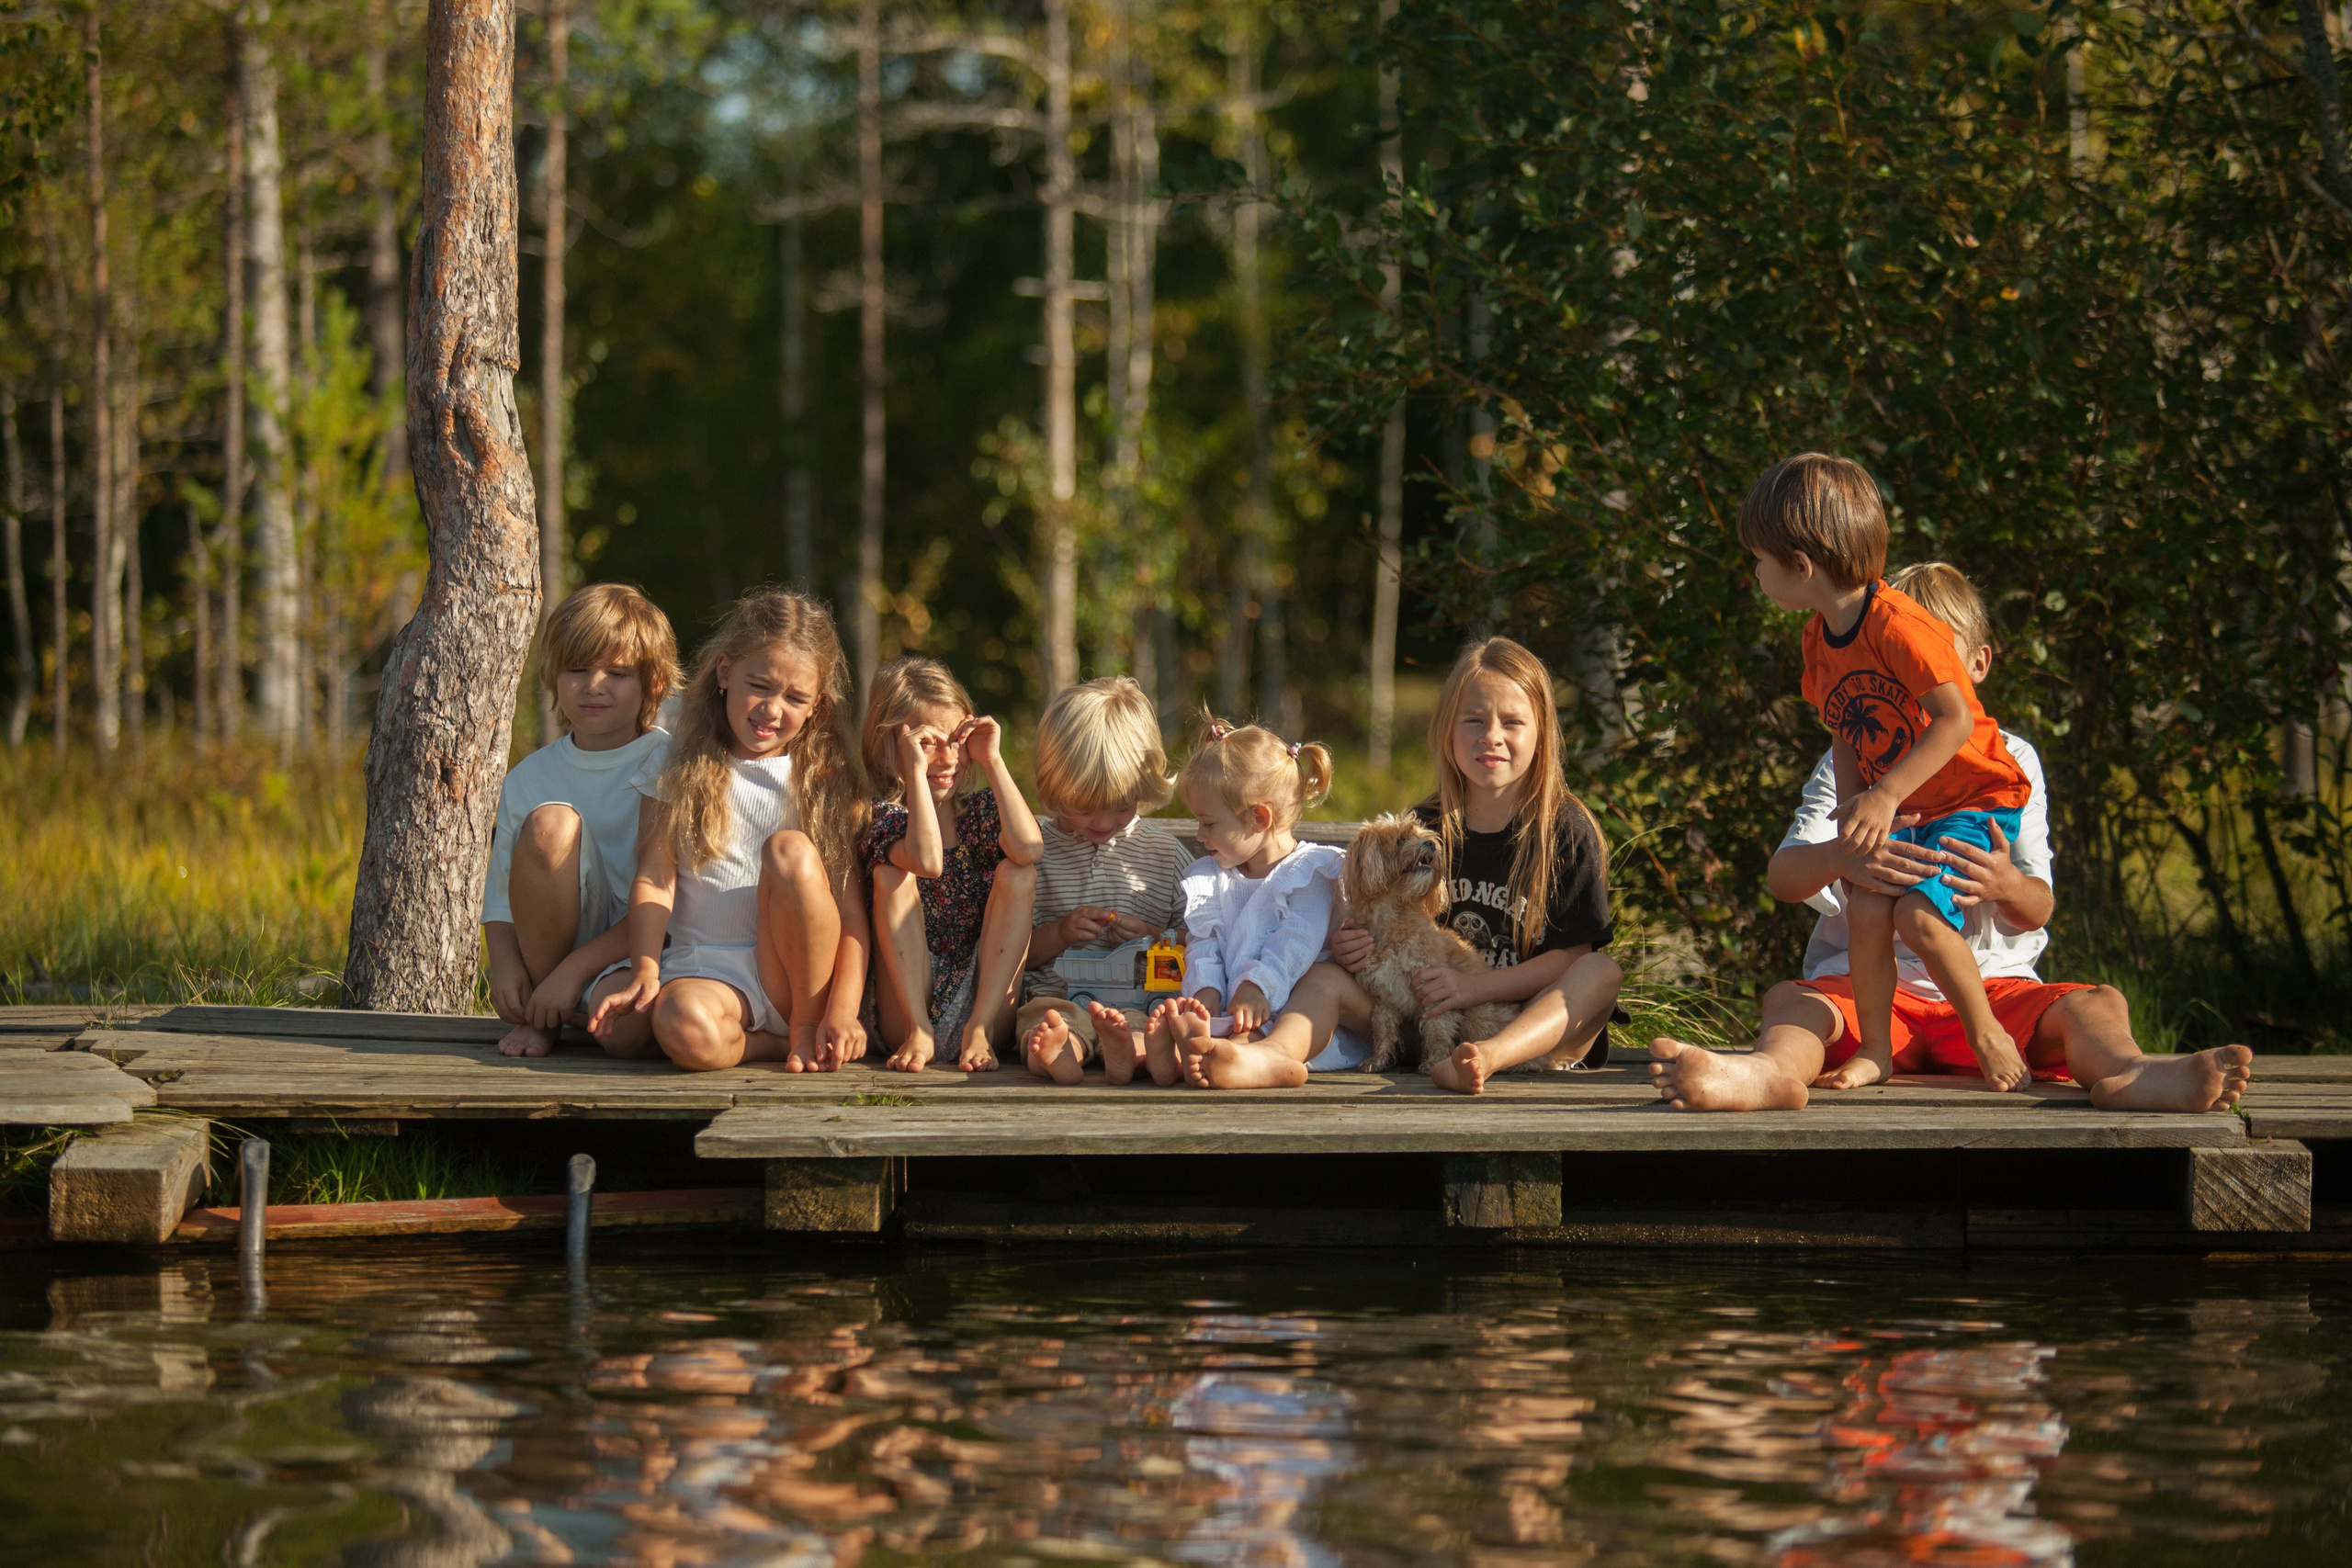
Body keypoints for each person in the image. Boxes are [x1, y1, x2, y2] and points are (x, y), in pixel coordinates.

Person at [1649, 561, 2255, 1113]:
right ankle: (1766, 1075)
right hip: (1871, 997)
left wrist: (2006, 882)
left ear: (1977, 664)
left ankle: (2137, 1073)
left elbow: (2039, 905)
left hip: (1994, 993)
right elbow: (1783, 877)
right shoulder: (1851, 760)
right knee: (1792, 1003)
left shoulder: (2010, 761)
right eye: (1892, 665)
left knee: (2095, 1005)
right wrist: (1843, 857)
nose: (1909, 681)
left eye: (1927, 664)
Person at [1200, 637, 1624, 1093]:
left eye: (1513, 722)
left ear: (1542, 733)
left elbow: (1573, 957)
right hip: (1424, 1024)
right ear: (1447, 729)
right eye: (1474, 720)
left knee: (1602, 973)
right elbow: (1377, 917)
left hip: (1535, 1025)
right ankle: (1273, 1056)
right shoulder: (1423, 829)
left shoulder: (1564, 831)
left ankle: (1489, 1056)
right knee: (1324, 977)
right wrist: (1350, 946)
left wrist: (1476, 989)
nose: (1492, 736)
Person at [1737, 454, 2035, 1090]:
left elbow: (1954, 721)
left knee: (1918, 918)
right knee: (1869, 909)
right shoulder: (1820, 638)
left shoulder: (1899, 624)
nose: (1755, 572)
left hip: (1973, 793)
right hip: (1906, 802)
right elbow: (1846, 726)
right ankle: (1876, 1050)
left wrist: (1885, 793)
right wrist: (1855, 817)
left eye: (1759, 560)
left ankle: (1985, 1029)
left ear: (1800, 566)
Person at [587, 589, 871, 1073]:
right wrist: (646, 967)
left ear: (817, 706)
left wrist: (841, 1013)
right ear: (723, 672)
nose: (772, 709)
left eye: (795, 697)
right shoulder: (678, 762)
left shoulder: (824, 778)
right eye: (759, 685)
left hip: (785, 974)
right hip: (700, 968)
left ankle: (800, 1030)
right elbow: (655, 878)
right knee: (626, 1031)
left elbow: (849, 914)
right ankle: (764, 1045)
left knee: (789, 851)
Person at [484, 583, 680, 1059]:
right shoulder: (530, 776)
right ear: (553, 677)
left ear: (654, 684)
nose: (594, 685)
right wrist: (505, 967)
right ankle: (545, 1017)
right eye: (577, 669)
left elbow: (674, 895)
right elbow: (500, 892)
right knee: (550, 825)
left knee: (626, 1035)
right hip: (548, 954)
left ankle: (564, 1000)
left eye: (618, 672)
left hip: (643, 952)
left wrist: (574, 973)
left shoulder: (672, 763)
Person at [858, 657, 1043, 1074]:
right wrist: (914, 772)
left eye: (956, 740)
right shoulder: (881, 817)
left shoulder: (979, 813)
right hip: (907, 1005)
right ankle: (919, 1029)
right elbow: (927, 860)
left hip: (985, 996)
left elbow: (1030, 849)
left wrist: (993, 761)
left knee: (1018, 872)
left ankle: (977, 1028)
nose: (947, 758)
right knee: (893, 875)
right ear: (890, 751)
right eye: (927, 743)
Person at [1015, 676, 1193, 1086]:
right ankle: (1063, 1055)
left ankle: (1138, 1056)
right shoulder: (1035, 851)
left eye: (1122, 807)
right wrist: (1059, 933)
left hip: (1141, 1003)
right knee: (1047, 1025)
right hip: (1059, 1000)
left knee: (1152, 1023)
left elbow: (1199, 939)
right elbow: (1011, 951)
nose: (1104, 823)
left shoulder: (1164, 855)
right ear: (1054, 787)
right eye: (1084, 808)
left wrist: (1152, 936)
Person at [1159, 717, 1344, 1081]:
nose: (1199, 835)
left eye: (1208, 823)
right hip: (1233, 1012)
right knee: (1189, 1024)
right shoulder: (1211, 877)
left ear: (1259, 817)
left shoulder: (1310, 871)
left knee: (1261, 1029)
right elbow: (1204, 943)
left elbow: (1296, 941)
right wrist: (1206, 989)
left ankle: (1258, 1061)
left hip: (1295, 1017)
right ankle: (1158, 1056)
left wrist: (1257, 986)